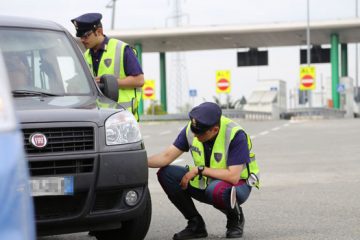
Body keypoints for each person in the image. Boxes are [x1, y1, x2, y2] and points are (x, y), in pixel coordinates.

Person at [148, 102, 260, 239]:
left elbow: (233, 176)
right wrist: (138, 161)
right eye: (194, 132)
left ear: (215, 130)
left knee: (218, 190)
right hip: (207, 182)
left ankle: (235, 219)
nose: (195, 136)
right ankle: (196, 225)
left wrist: (200, 170)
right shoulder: (193, 129)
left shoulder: (235, 135)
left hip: (238, 186)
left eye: (199, 134)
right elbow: (166, 157)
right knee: (166, 174)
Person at [71, 13, 144, 120]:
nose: (82, 40)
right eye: (80, 37)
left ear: (99, 32)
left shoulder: (121, 49)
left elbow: (139, 80)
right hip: (98, 120)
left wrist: (108, 82)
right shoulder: (85, 56)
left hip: (123, 118)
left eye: (86, 36)